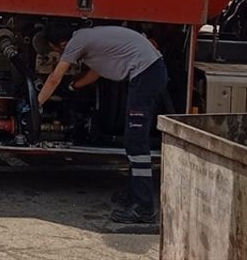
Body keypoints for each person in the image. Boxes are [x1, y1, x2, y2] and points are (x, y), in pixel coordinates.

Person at [36, 22, 167, 224]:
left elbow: (54, 78)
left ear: (62, 44)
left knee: (136, 143)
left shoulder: (76, 42)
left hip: (146, 74)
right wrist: (73, 86)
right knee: (133, 141)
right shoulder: (88, 39)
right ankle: (133, 194)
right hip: (148, 72)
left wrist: (35, 104)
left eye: (57, 51)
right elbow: (95, 73)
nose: (61, 55)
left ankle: (144, 208)